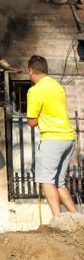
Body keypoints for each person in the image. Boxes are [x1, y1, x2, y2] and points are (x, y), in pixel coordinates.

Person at [26, 55, 77, 217]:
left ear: (30, 71)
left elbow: (32, 122)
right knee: (59, 182)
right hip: (69, 138)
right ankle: (76, 218)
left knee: (46, 181)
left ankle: (57, 219)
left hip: (52, 139)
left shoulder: (35, 90)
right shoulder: (57, 86)